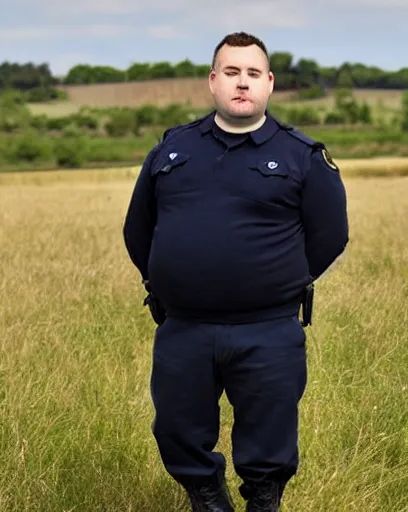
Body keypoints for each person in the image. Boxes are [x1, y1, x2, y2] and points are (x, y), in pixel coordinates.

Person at [122, 32, 349, 512]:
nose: (241, 83)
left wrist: (274, 279)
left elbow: (331, 236)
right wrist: (171, 278)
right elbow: (138, 230)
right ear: (212, 81)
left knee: (269, 435)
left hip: (268, 328)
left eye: (252, 74)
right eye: (230, 72)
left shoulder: (301, 156)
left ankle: (263, 501)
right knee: (177, 430)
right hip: (184, 326)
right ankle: (207, 497)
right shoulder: (171, 150)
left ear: (269, 84)